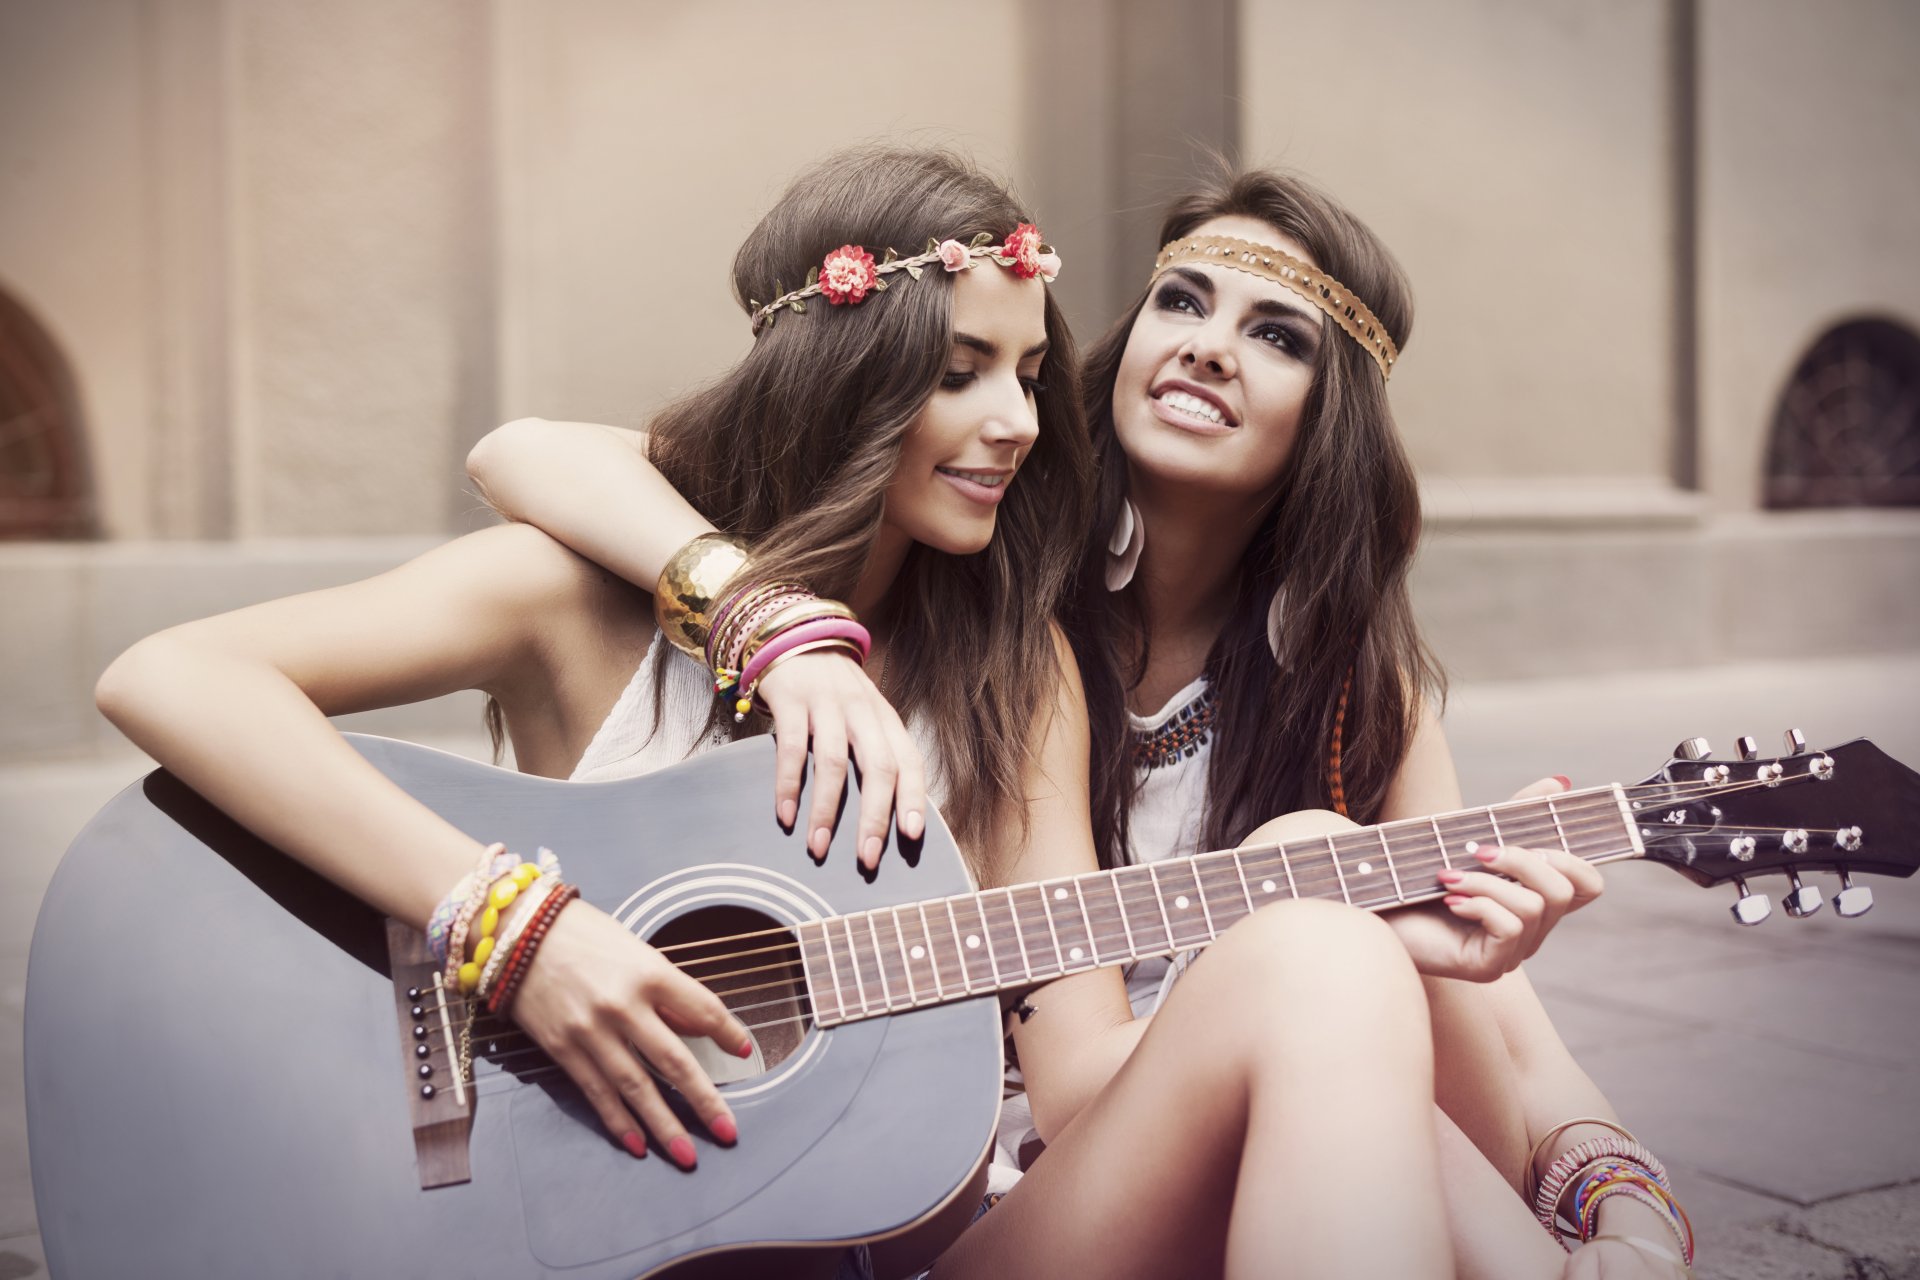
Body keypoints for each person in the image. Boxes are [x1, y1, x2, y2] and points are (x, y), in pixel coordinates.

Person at [466, 165, 1695, 1277]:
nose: (1209, 347)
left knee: (1334, 899)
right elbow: (534, 454)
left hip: (1268, 1131)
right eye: (1183, 302)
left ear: (1336, 419)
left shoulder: (1350, 685)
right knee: (1318, 915)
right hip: (1014, 1166)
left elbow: (1501, 1018)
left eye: (1276, 334)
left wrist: (1624, 1201)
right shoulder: (986, 569)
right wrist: (764, 618)